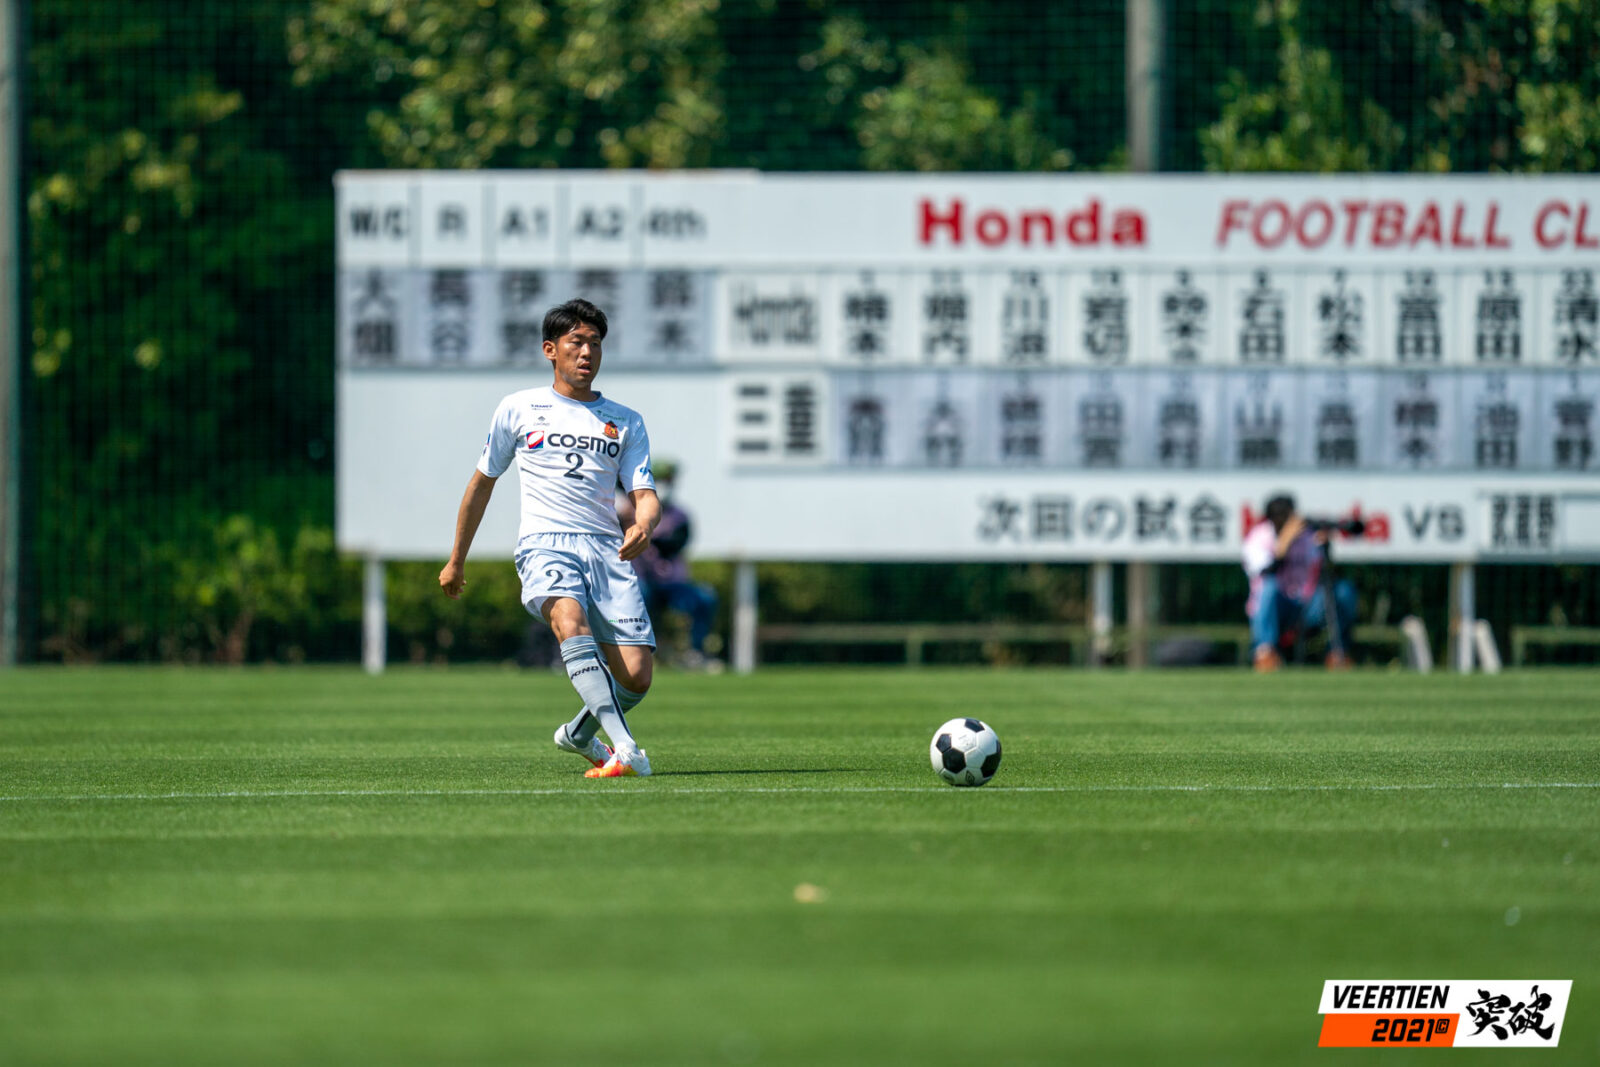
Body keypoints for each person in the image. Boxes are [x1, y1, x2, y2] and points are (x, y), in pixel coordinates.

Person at [439, 299, 660, 778]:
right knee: (568, 619)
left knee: (637, 677)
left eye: (595, 343)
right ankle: (625, 749)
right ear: (550, 349)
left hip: (607, 550)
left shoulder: (625, 420)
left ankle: (578, 734)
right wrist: (457, 559)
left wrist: (643, 525)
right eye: (576, 342)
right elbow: (481, 484)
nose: (587, 352)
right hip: (546, 542)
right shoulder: (518, 408)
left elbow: (645, 494)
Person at [616, 459, 722, 671]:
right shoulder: (626, 513)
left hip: (671, 583)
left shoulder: (679, 516)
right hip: (638, 581)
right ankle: (634, 651)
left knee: (704, 598)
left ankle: (696, 652)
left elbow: (675, 544)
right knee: (634, 597)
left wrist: (648, 533)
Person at [1242, 493, 1358, 673]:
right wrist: (1284, 543)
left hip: (1305, 603)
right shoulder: (1259, 536)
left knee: (1344, 591)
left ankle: (1337, 652)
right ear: (1272, 518)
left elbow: (1327, 574)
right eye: (1284, 516)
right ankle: (1265, 652)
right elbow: (1266, 572)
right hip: (1276, 607)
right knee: (1269, 587)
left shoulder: (1306, 536)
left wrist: (1325, 547)